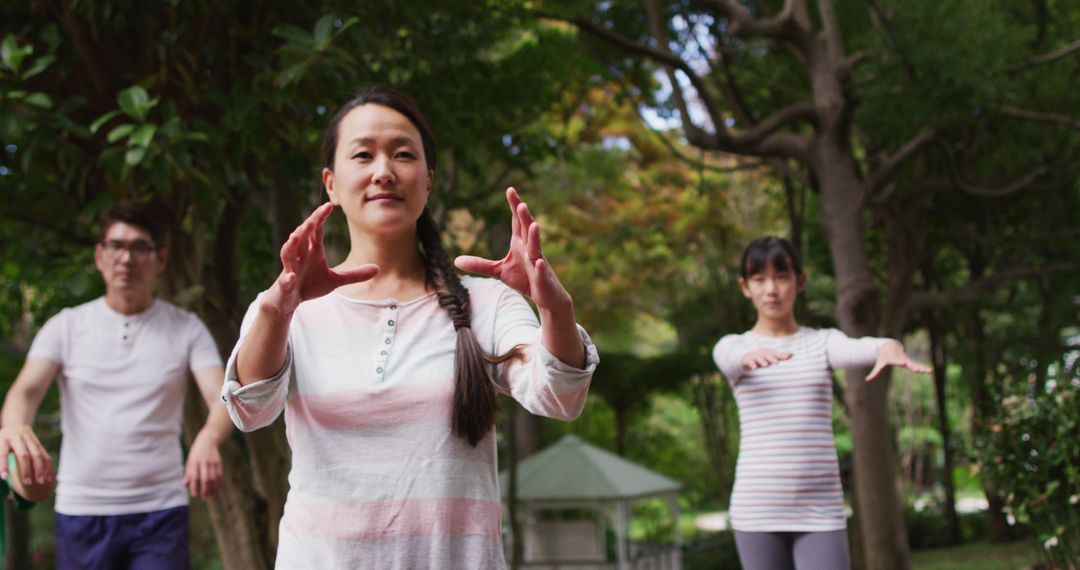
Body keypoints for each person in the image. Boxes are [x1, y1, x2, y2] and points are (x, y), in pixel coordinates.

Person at [222, 87, 599, 568]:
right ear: (331, 184)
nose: (384, 171)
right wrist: (278, 312)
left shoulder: (486, 302)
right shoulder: (286, 307)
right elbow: (249, 411)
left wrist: (555, 309)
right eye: (363, 155)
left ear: (428, 181)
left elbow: (559, 396)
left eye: (403, 154)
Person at [0, 200, 233, 570]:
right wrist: (15, 428)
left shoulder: (186, 328)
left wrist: (207, 439)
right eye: (116, 247)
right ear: (99, 255)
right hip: (82, 508)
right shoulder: (66, 326)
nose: (127, 259)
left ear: (160, 259)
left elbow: (222, 396)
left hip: (160, 509)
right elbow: (25, 391)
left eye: (140, 247)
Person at [711, 236, 931, 570]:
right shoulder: (734, 346)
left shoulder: (822, 343)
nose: (771, 289)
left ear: (800, 282)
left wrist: (888, 345)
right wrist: (748, 356)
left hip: (820, 509)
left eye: (781, 277)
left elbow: (862, 347)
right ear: (745, 286)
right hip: (757, 509)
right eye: (759, 279)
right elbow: (728, 358)